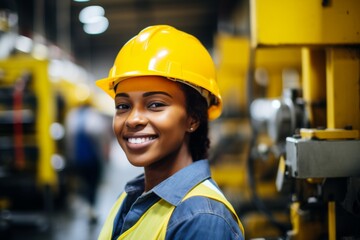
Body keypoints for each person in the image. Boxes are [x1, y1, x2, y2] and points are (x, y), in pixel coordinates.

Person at [95, 25, 245, 239]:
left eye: (155, 104)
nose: (133, 119)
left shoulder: (201, 219)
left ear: (193, 118)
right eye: (123, 106)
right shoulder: (131, 197)